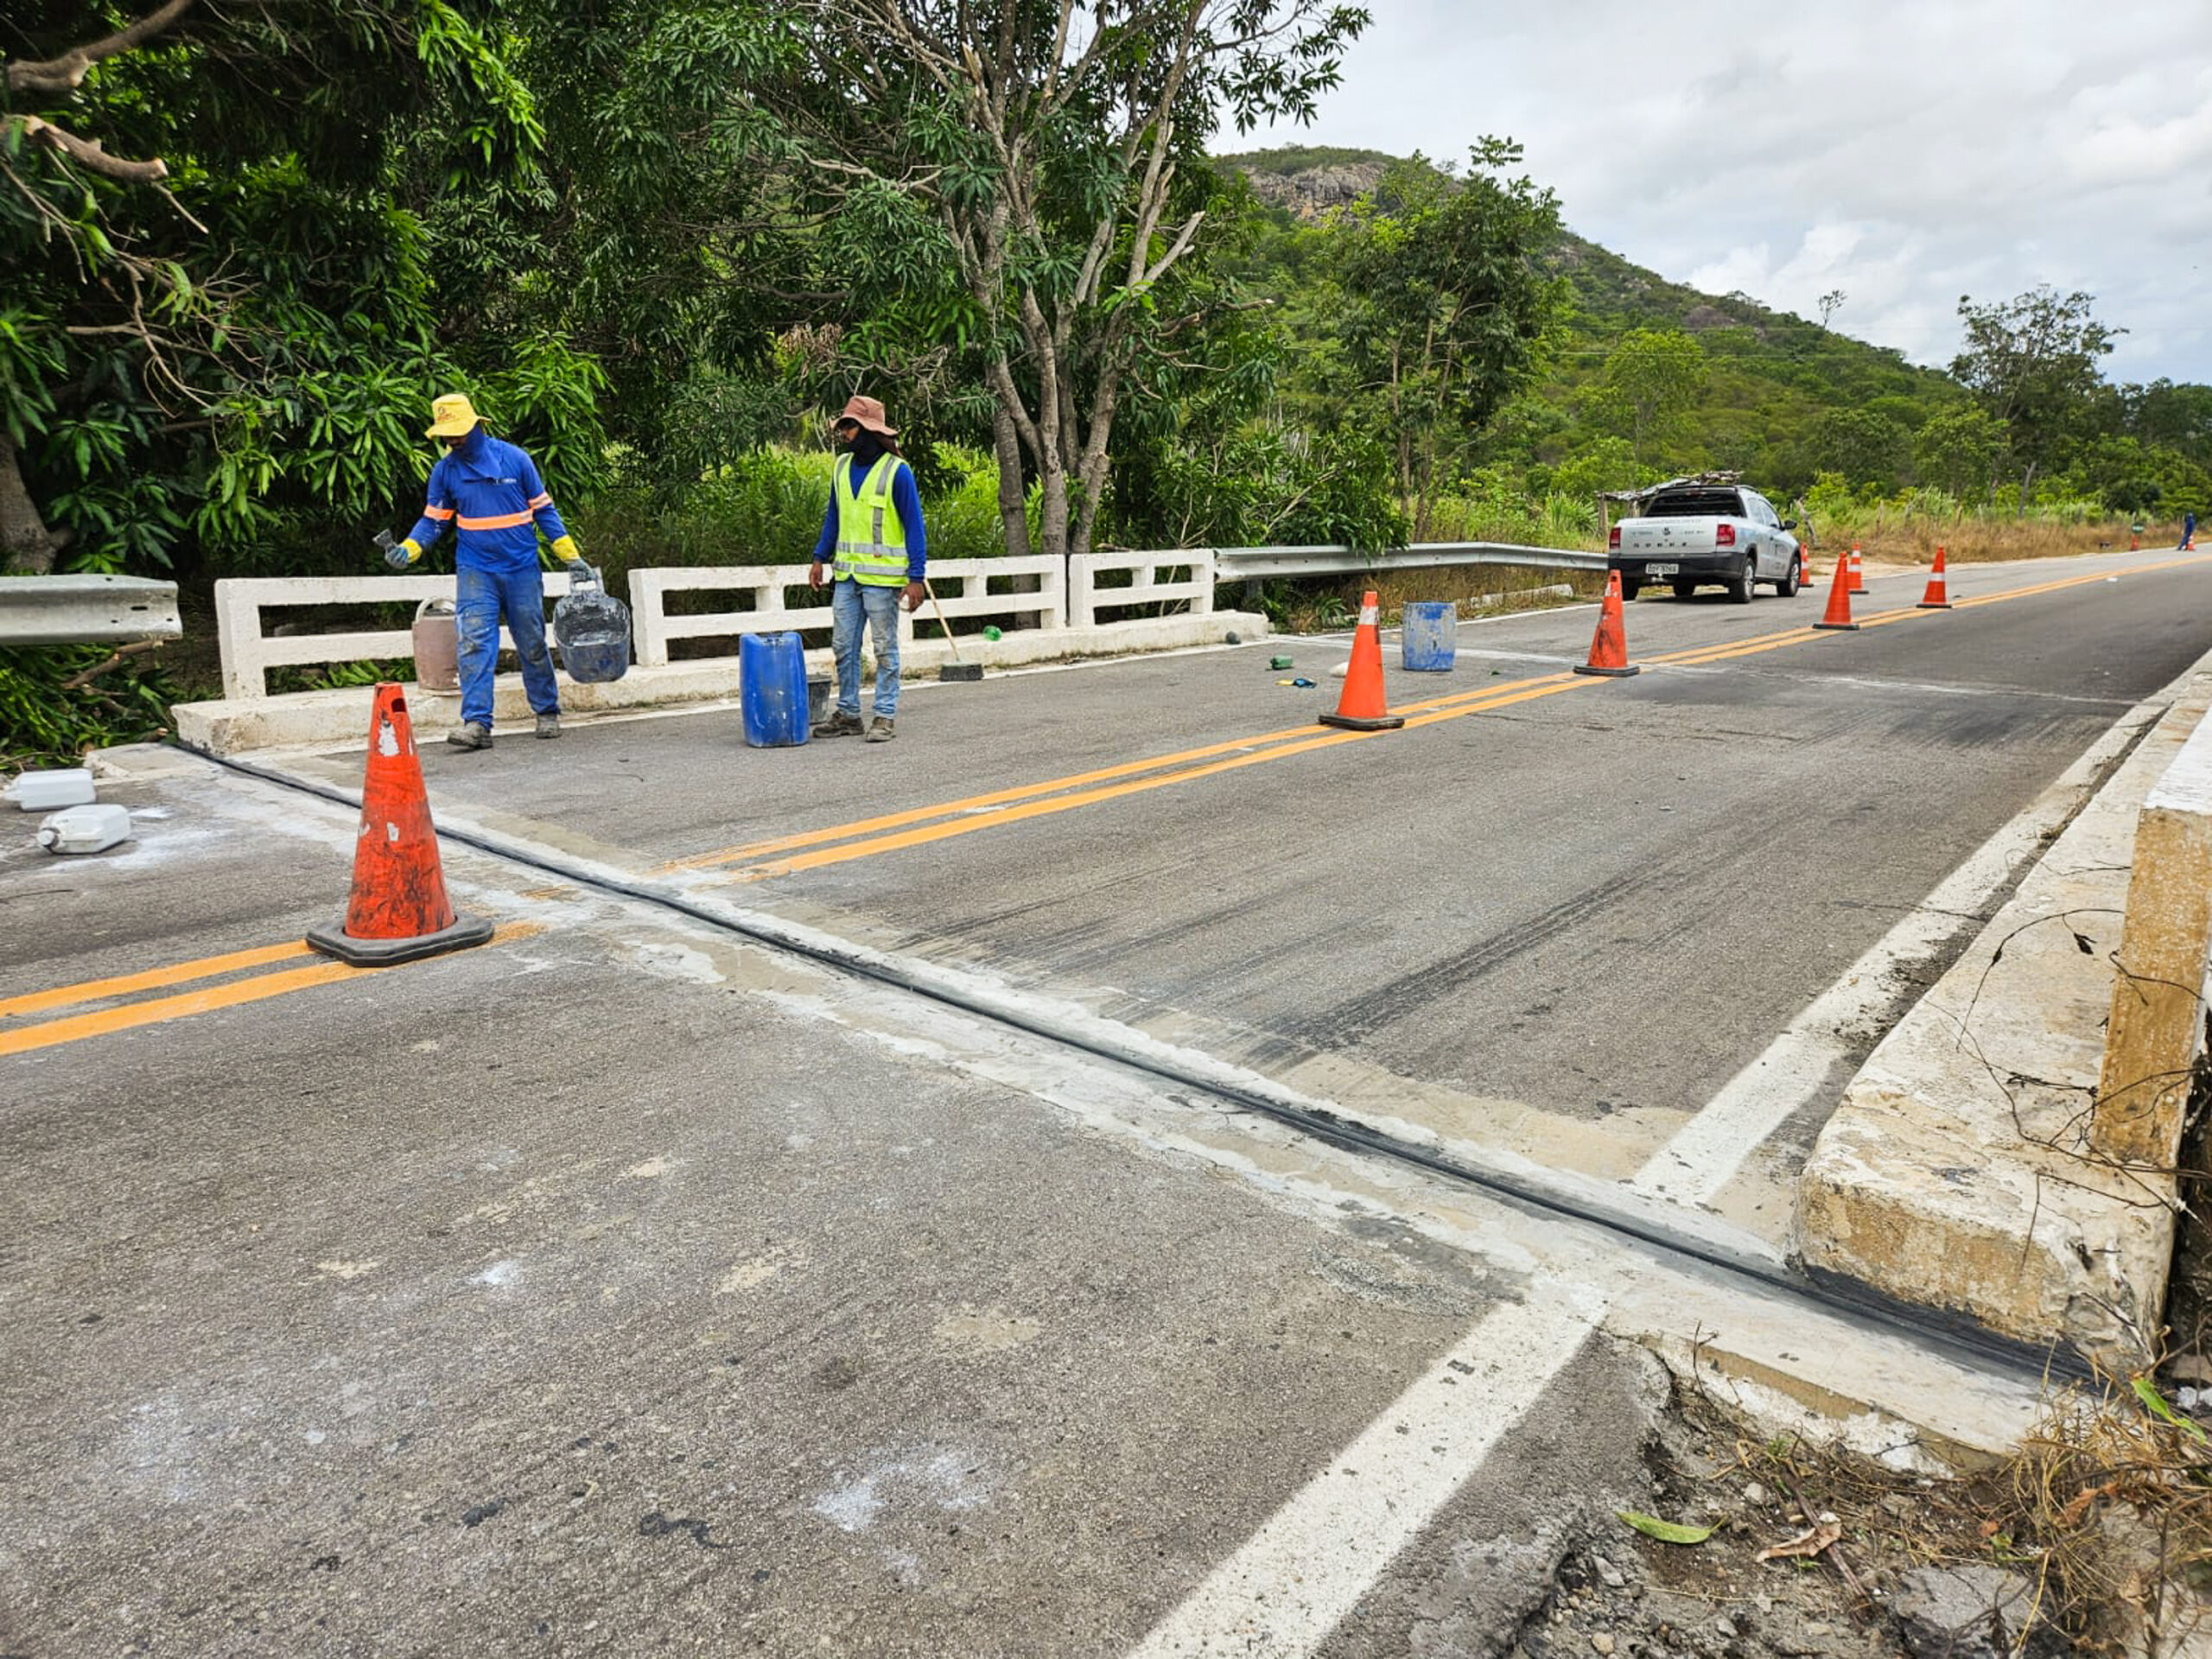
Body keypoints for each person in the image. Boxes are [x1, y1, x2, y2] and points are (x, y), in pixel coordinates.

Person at [386, 392, 586, 750]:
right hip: (476, 569)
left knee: (532, 641)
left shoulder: (515, 460)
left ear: (478, 425)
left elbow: (544, 511)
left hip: (521, 567)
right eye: (448, 436)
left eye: (459, 432)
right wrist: (409, 548)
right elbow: (433, 522)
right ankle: (477, 724)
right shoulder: (445, 471)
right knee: (474, 643)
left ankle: (546, 710)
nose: (454, 440)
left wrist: (569, 555)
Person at [808, 395, 926, 742]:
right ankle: (848, 714)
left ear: (870, 431)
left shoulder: (897, 472)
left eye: (850, 426)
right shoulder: (842, 468)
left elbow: (914, 527)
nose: (844, 433)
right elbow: (835, 517)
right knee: (843, 646)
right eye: (843, 426)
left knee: (884, 648)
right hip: (846, 576)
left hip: (883, 580)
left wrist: (916, 578)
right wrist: (819, 557)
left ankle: (884, 716)